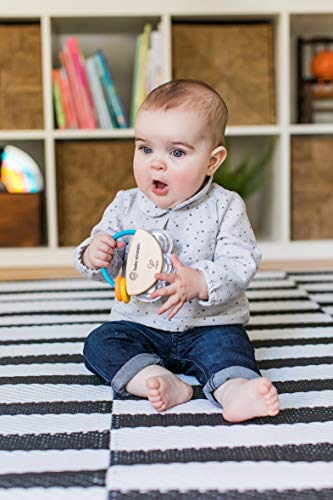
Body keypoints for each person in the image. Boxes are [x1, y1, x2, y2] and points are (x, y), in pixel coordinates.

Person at [74, 79, 280, 423]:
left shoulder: (225, 207)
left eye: (177, 152)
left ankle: (235, 392)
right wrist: (96, 255)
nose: (156, 164)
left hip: (209, 325)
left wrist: (200, 281)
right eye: (145, 149)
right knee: (100, 343)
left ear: (212, 161)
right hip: (140, 323)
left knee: (230, 351)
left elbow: (241, 261)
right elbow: (109, 257)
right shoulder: (126, 204)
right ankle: (155, 379)